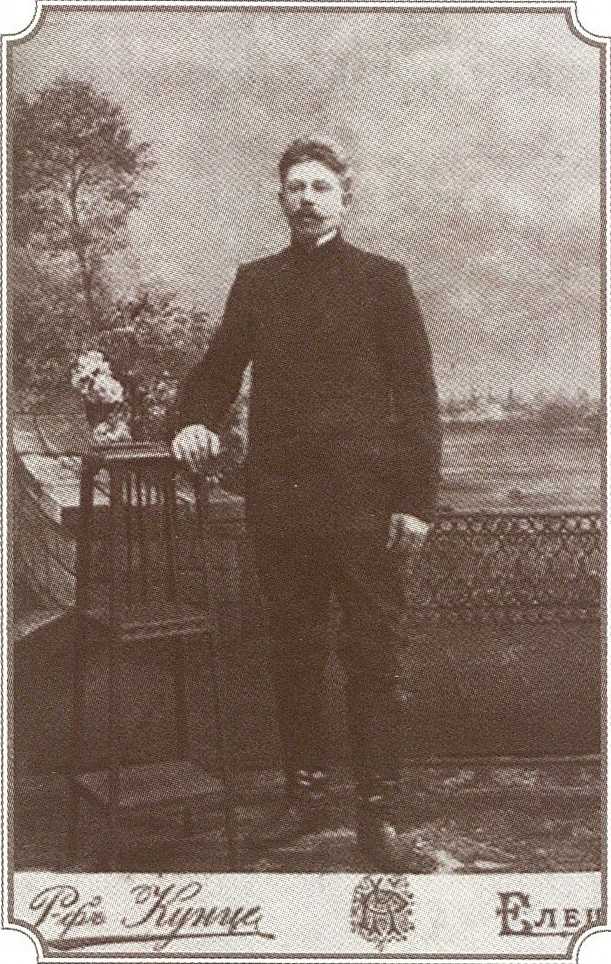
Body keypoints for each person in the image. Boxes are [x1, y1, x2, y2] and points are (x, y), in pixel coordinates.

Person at [171, 137, 442, 870]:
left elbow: (416, 397)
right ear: (280, 199)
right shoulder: (256, 282)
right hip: (282, 504)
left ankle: (378, 817)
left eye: (321, 187)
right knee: (293, 651)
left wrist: (415, 501)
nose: (307, 199)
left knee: (372, 655)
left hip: (364, 507)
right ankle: (305, 798)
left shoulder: (382, 280)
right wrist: (194, 420)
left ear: (345, 199)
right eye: (295, 187)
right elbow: (219, 368)